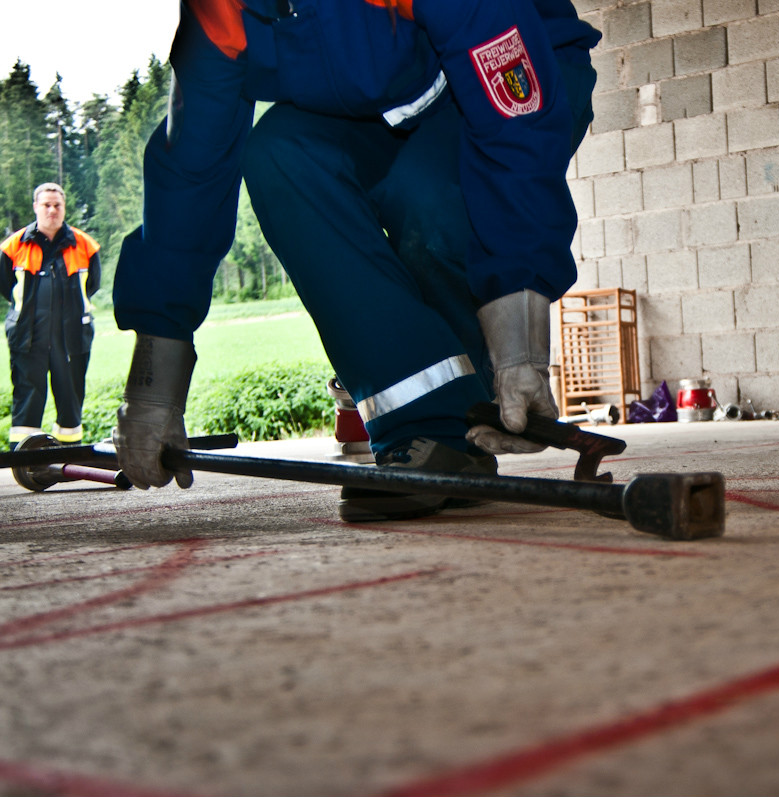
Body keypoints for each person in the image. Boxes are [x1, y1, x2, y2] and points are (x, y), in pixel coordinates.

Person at [111, 0, 600, 519]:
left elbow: (515, 134)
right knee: (280, 154)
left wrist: (520, 351)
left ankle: (475, 397)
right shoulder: (221, 10)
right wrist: (152, 390)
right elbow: (191, 174)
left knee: (430, 195)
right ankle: (428, 429)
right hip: (383, 106)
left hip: (523, 71)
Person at [2, 183, 101, 449]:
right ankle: (25, 461)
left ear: (64, 207)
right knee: (27, 401)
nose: (52, 210)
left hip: (72, 339)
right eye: (46, 205)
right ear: (36, 207)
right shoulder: (13, 246)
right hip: (27, 337)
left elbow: (92, 286)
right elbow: (6, 287)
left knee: (70, 403)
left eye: (57, 205)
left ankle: (69, 457)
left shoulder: (85, 245)